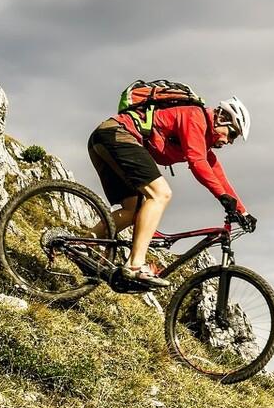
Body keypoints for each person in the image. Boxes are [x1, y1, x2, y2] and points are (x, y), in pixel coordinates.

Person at [87, 97, 256, 287]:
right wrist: (221, 197)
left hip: (105, 137)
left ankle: (82, 244)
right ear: (221, 118)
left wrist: (243, 212)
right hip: (118, 134)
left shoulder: (203, 141)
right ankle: (135, 266)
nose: (230, 141)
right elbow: (197, 162)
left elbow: (219, 176)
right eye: (232, 134)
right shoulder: (195, 116)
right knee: (160, 194)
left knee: (133, 211)